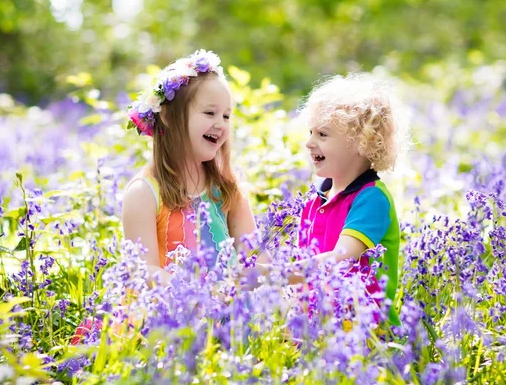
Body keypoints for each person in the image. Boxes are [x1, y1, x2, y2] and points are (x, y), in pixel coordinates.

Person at [72, 50, 256, 344]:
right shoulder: (145, 193)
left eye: (226, 115)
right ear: (168, 116)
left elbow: (255, 255)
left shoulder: (227, 190)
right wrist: (197, 294)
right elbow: (146, 272)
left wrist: (283, 277)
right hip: (173, 323)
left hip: (231, 319)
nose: (221, 123)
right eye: (209, 113)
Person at [252, 73, 402, 326]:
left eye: (322, 134)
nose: (309, 142)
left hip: (365, 333)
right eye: (311, 132)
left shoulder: (372, 198)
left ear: (363, 143)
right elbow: (307, 268)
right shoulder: (316, 200)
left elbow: (342, 258)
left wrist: (274, 275)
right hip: (318, 327)